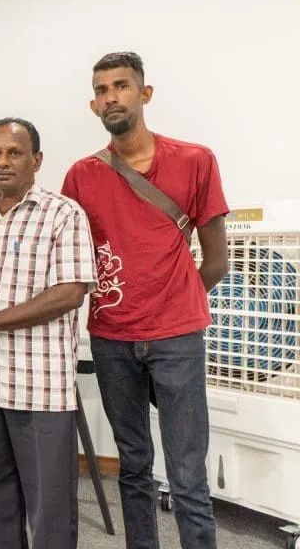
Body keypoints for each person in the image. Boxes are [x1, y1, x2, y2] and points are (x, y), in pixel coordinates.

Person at [61, 51, 229, 549]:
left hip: (178, 338)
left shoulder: (195, 160)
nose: (111, 96)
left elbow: (217, 261)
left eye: (122, 86)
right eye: (102, 90)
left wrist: (172, 305)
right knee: (133, 466)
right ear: (93, 105)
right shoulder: (81, 175)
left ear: (144, 93)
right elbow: (70, 260)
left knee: (187, 474)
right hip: (111, 338)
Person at [0, 118, 96, 549]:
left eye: (14, 153)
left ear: (37, 160)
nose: (3, 162)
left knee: (50, 516)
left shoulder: (63, 214)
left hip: (40, 392)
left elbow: (69, 293)